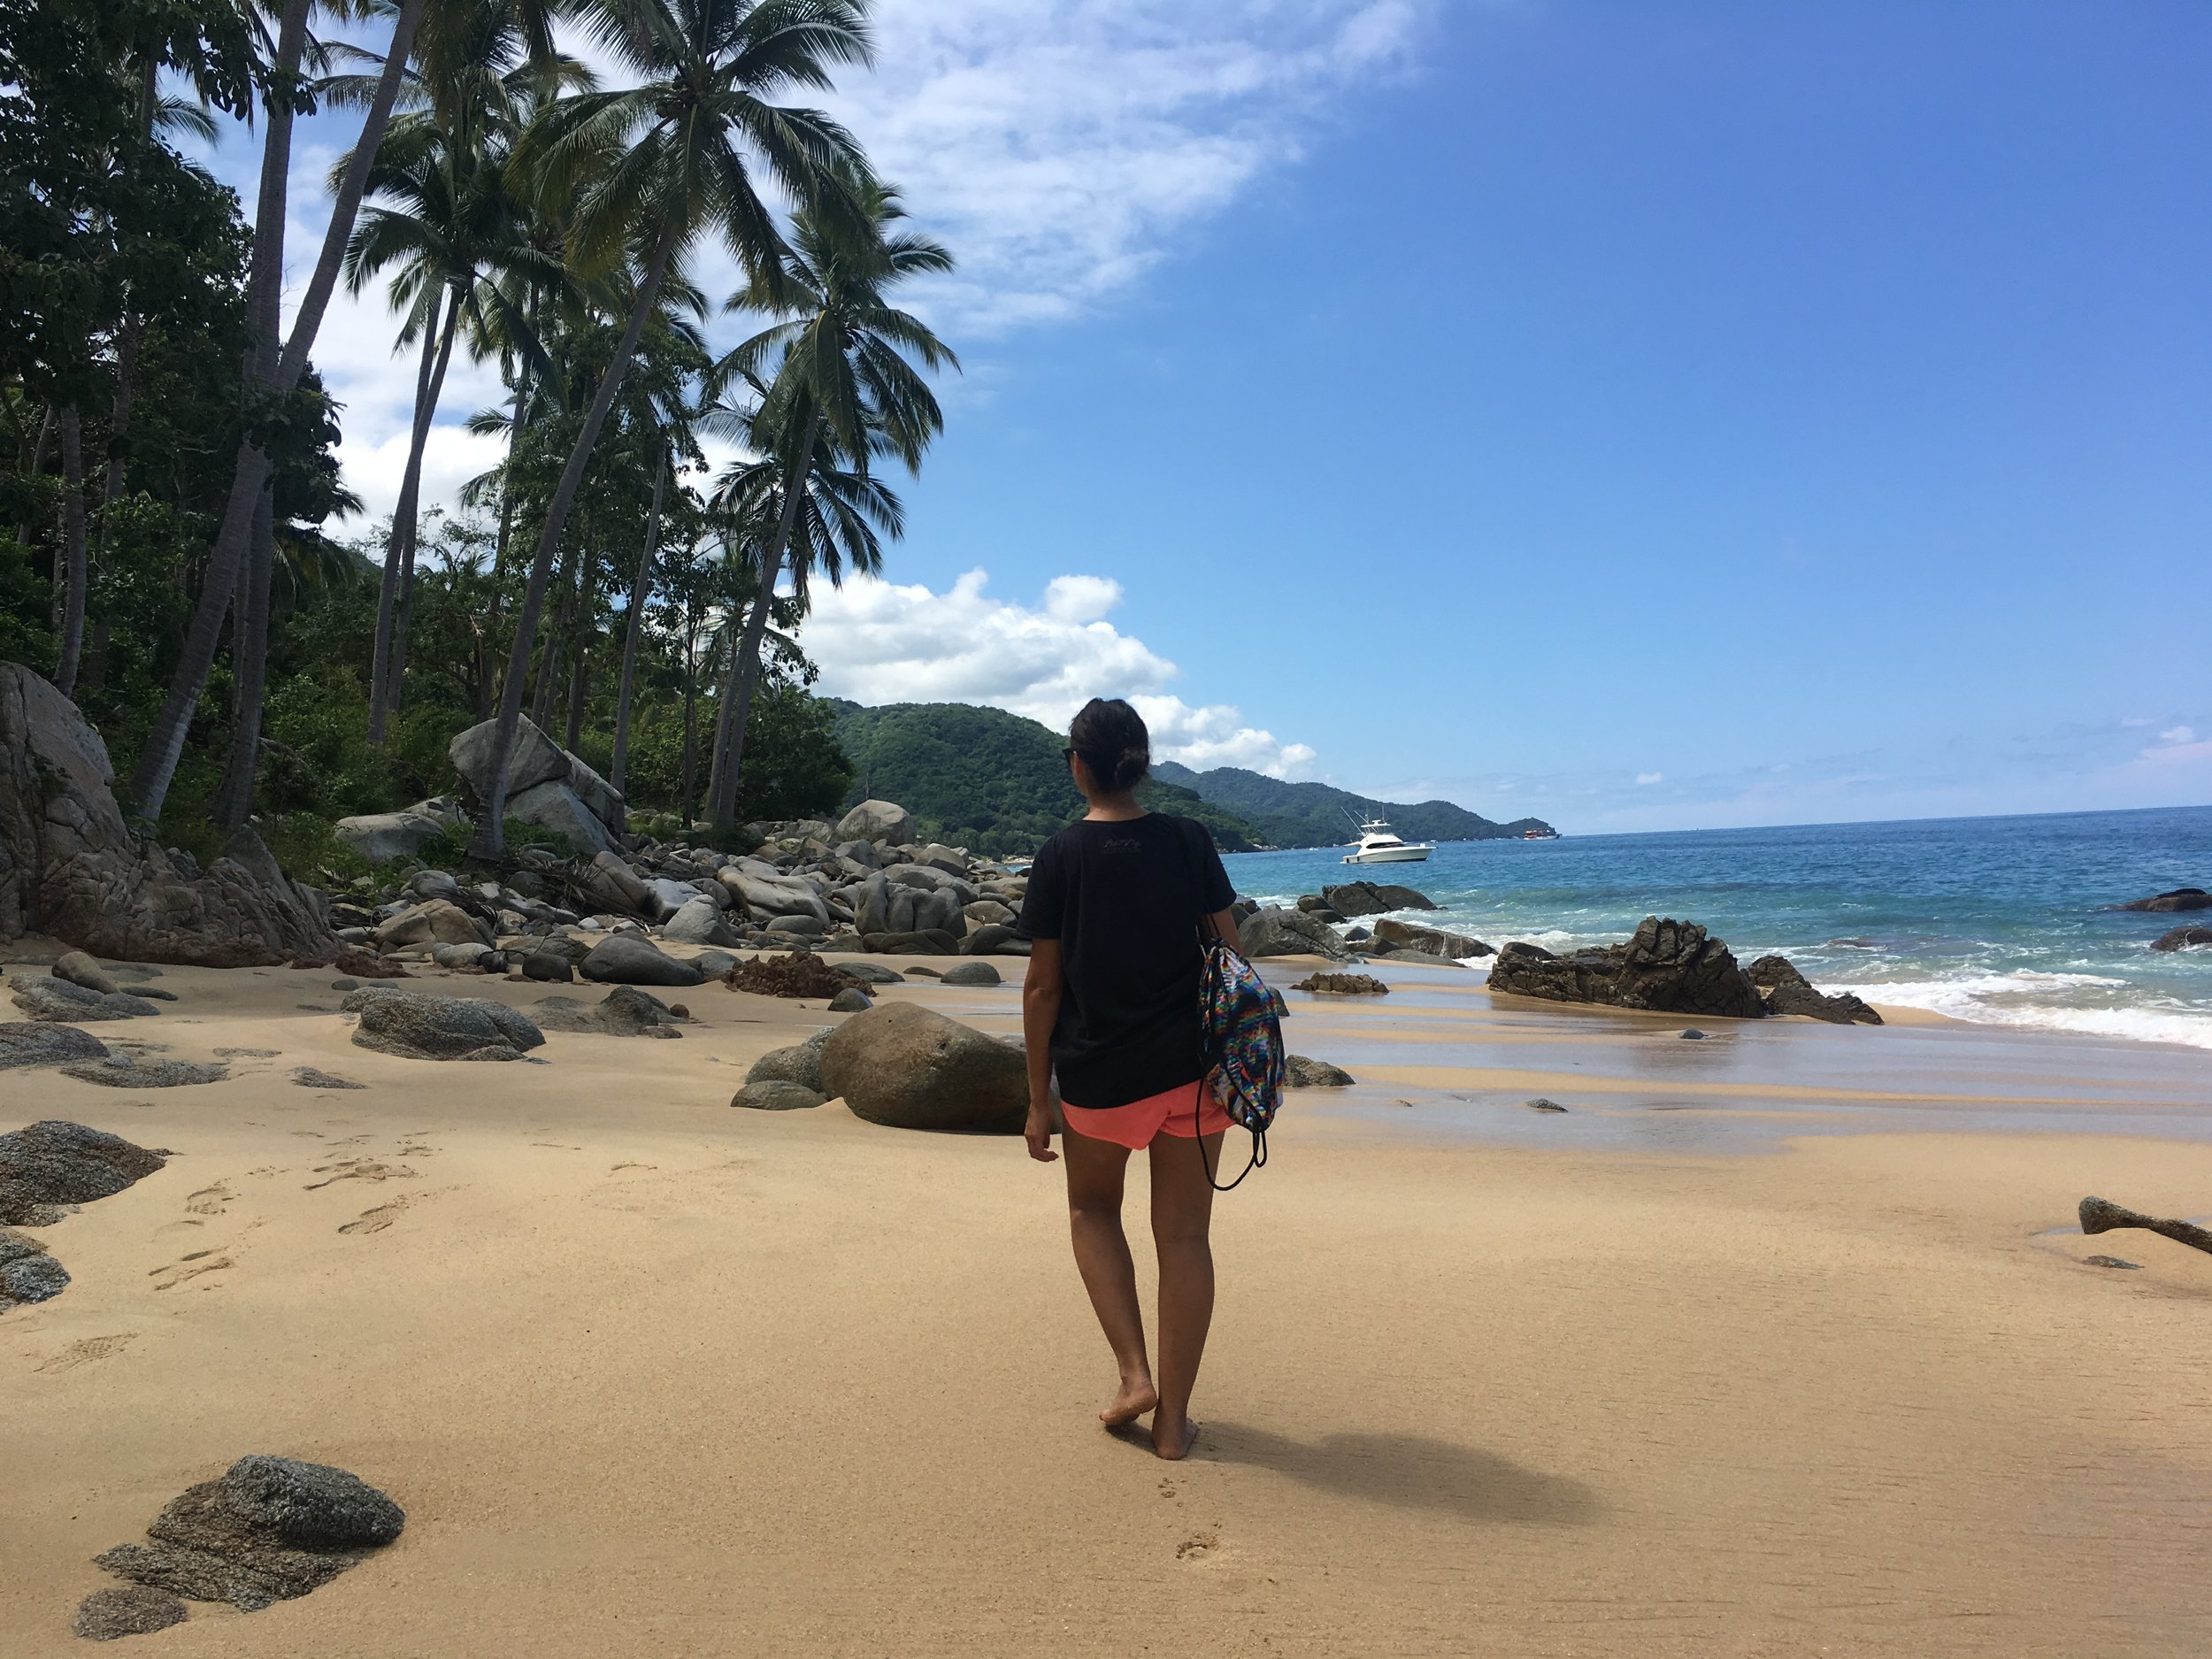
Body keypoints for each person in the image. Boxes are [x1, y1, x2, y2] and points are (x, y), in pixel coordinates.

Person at [1015, 697, 1241, 1460]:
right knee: (1184, 1237)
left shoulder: (1057, 858)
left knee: (1091, 1212)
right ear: (1141, 761)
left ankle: (1134, 1375)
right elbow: (1231, 955)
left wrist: (1037, 1098)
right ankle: (1175, 1423)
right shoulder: (1188, 839)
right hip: (1194, 1075)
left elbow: (1044, 988)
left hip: (1100, 1077)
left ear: (1079, 765)